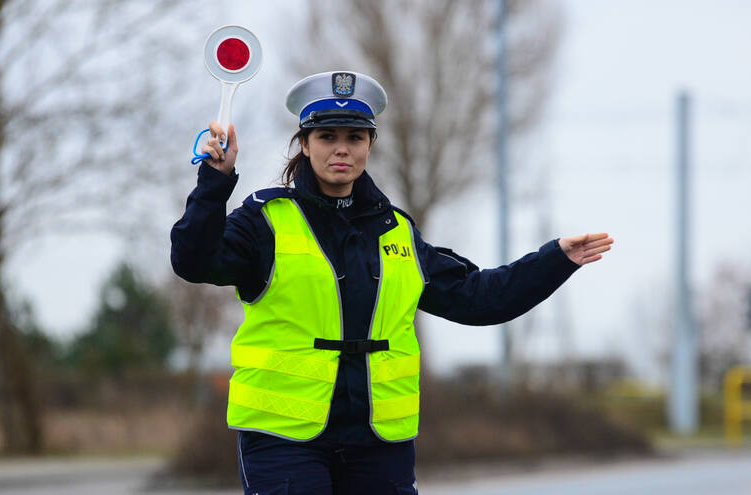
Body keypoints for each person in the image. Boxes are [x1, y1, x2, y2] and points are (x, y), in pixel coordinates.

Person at [171, 70, 613, 495]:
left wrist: (555, 259)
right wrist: (216, 181)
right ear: (304, 144)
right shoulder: (263, 221)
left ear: (370, 144)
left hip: (378, 444)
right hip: (283, 440)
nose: (341, 149)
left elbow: (481, 299)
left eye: (355, 138)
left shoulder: (397, 230)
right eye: (327, 137)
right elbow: (193, 261)